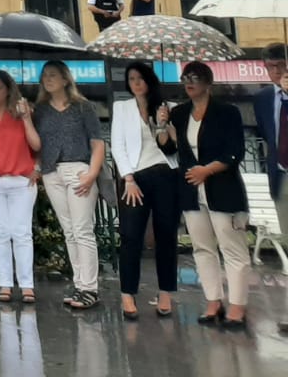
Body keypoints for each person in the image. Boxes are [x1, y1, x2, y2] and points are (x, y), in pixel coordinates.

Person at [171, 61, 250, 329]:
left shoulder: (227, 112)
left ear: (208, 81)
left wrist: (207, 170)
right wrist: (162, 126)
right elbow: (171, 148)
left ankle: (237, 305)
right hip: (191, 190)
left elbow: (235, 151)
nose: (188, 82)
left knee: (232, 247)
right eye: (185, 78)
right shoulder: (179, 113)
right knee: (202, 247)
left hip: (222, 188)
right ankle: (213, 301)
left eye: (194, 77)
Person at [34, 59, 105, 311]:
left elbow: (98, 143)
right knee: (69, 231)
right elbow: (36, 143)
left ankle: (90, 287)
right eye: (45, 75)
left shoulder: (82, 107)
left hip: (79, 169)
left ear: (65, 79)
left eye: (53, 75)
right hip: (52, 172)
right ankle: (79, 283)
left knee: (83, 230)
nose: (48, 79)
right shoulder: (40, 110)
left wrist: (92, 174)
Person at [111, 60, 179, 319]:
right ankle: (127, 294)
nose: (136, 84)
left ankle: (165, 292)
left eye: (140, 78)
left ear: (149, 80)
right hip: (135, 177)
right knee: (130, 236)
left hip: (165, 174)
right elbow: (118, 145)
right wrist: (128, 178)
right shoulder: (122, 108)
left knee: (166, 235)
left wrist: (165, 124)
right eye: (131, 79)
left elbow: (174, 148)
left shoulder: (168, 108)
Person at [0, 70, 41, 305]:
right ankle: (5, 283)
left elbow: (36, 144)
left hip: (21, 180)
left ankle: (27, 285)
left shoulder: (22, 111)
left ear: (8, 89)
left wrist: (25, 118)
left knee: (21, 232)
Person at [258, 45, 288, 336]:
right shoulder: (263, 98)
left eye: (280, 64)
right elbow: (267, 135)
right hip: (280, 175)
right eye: (270, 66)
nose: (275, 71)